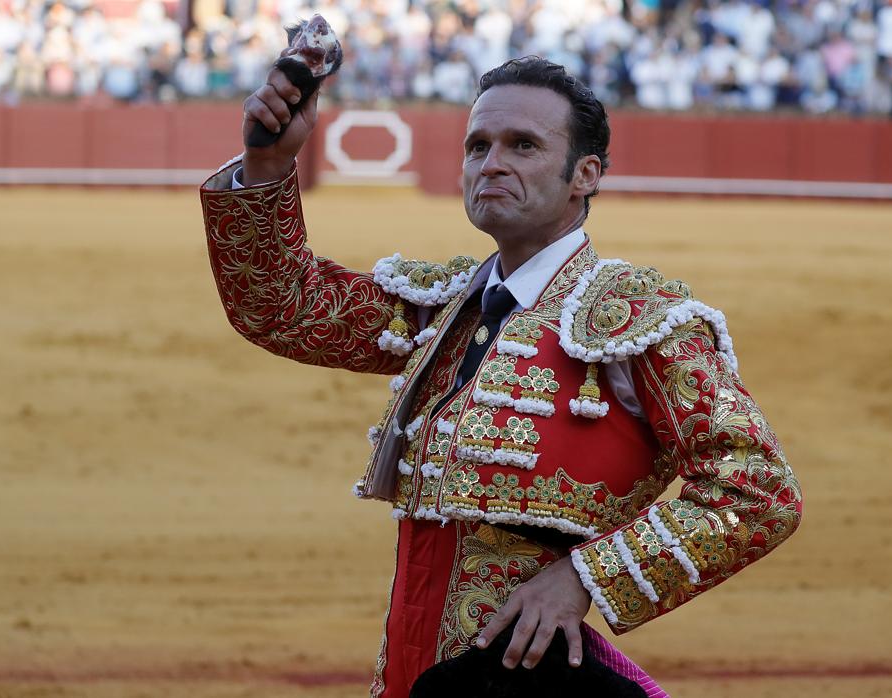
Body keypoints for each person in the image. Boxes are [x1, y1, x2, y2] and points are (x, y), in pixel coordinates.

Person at [199, 55, 802, 698]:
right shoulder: (447, 307)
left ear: (585, 175)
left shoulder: (638, 322)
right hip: (412, 662)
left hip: (524, 679)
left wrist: (584, 579)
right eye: (478, 145)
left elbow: (759, 491)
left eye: (524, 145)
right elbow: (284, 305)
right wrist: (267, 164)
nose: (492, 163)